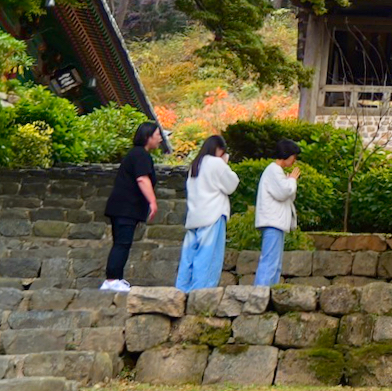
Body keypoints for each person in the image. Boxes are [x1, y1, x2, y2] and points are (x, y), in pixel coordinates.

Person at [99, 121, 162, 292]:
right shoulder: (141, 155)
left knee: (121, 242)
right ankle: (112, 280)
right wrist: (152, 201)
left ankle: (116, 278)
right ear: (148, 137)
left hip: (122, 207)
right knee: (122, 243)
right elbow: (142, 178)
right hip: (126, 208)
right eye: (157, 135)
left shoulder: (135, 154)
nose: (160, 139)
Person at [175, 133, 237, 293]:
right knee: (208, 256)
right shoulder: (216, 163)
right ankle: (201, 292)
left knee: (189, 255)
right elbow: (231, 184)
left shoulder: (195, 164)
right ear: (219, 149)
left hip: (195, 216)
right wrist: (225, 164)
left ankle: (182, 289)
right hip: (213, 215)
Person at [252, 149, 299, 288]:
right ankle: (260, 294)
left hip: (276, 222)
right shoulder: (274, 170)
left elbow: (287, 193)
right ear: (286, 155)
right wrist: (292, 180)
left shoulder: (276, 171)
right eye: (293, 157)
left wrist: (289, 182)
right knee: (269, 260)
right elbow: (284, 192)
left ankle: (269, 293)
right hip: (273, 222)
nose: (294, 160)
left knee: (275, 262)